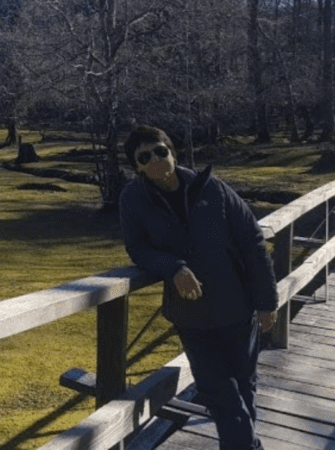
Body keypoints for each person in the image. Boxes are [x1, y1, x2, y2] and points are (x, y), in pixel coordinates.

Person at [118, 125, 279, 450]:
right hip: (193, 315)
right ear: (137, 166)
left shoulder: (212, 188)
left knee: (244, 387)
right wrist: (173, 268)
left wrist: (267, 300)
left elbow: (253, 240)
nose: (155, 160)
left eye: (160, 151)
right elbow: (138, 248)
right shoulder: (134, 200)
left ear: (172, 151)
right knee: (220, 391)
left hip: (238, 306)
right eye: (144, 157)